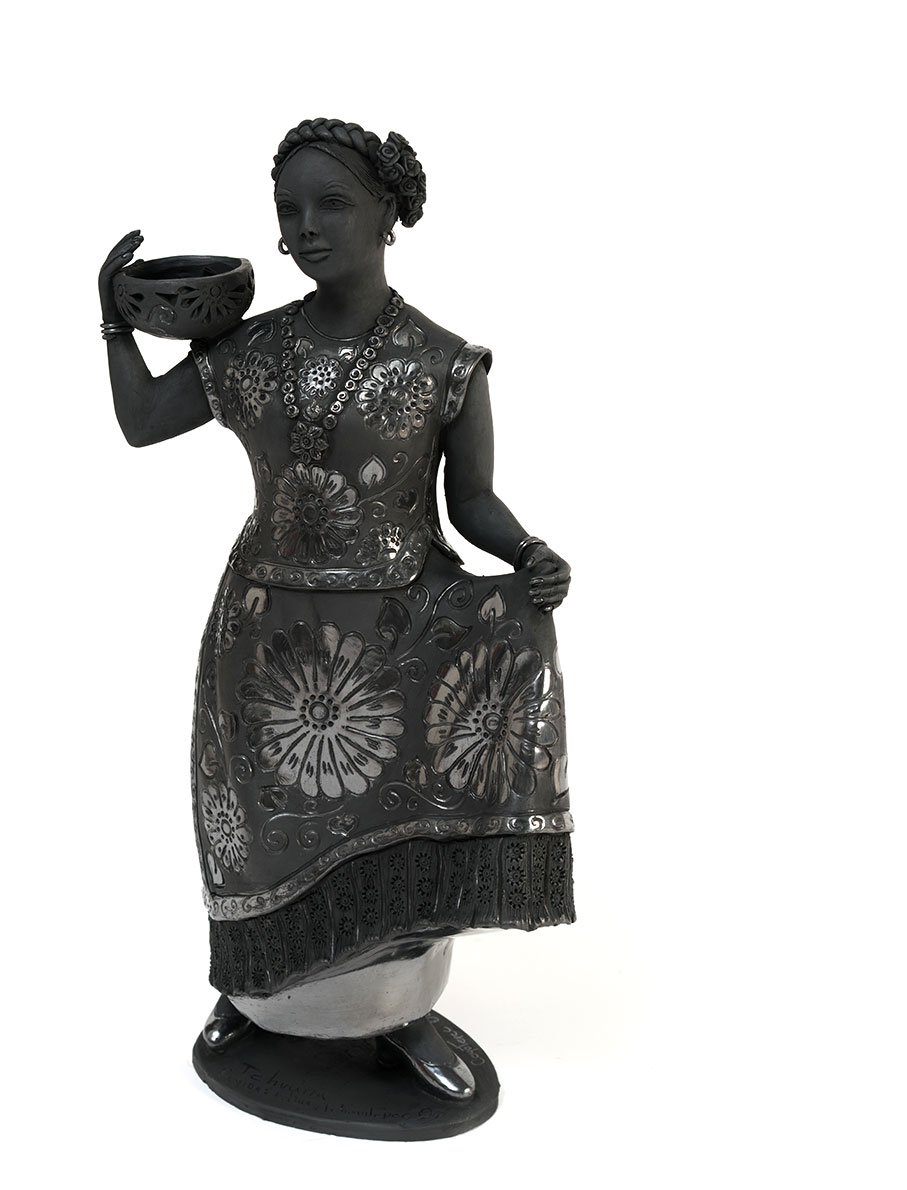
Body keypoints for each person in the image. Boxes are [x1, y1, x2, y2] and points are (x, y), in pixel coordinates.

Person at [98, 118, 573, 1102]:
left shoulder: (442, 362)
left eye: (332, 204)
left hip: (401, 640)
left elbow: (472, 503)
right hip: (261, 636)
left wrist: (527, 553)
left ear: (388, 213)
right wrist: (114, 323)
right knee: (257, 832)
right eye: (289, 210)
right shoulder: (252, 348)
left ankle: (395, 1012)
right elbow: (143, 423)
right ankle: (254, 990)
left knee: (404, 837)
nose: (306, 227)